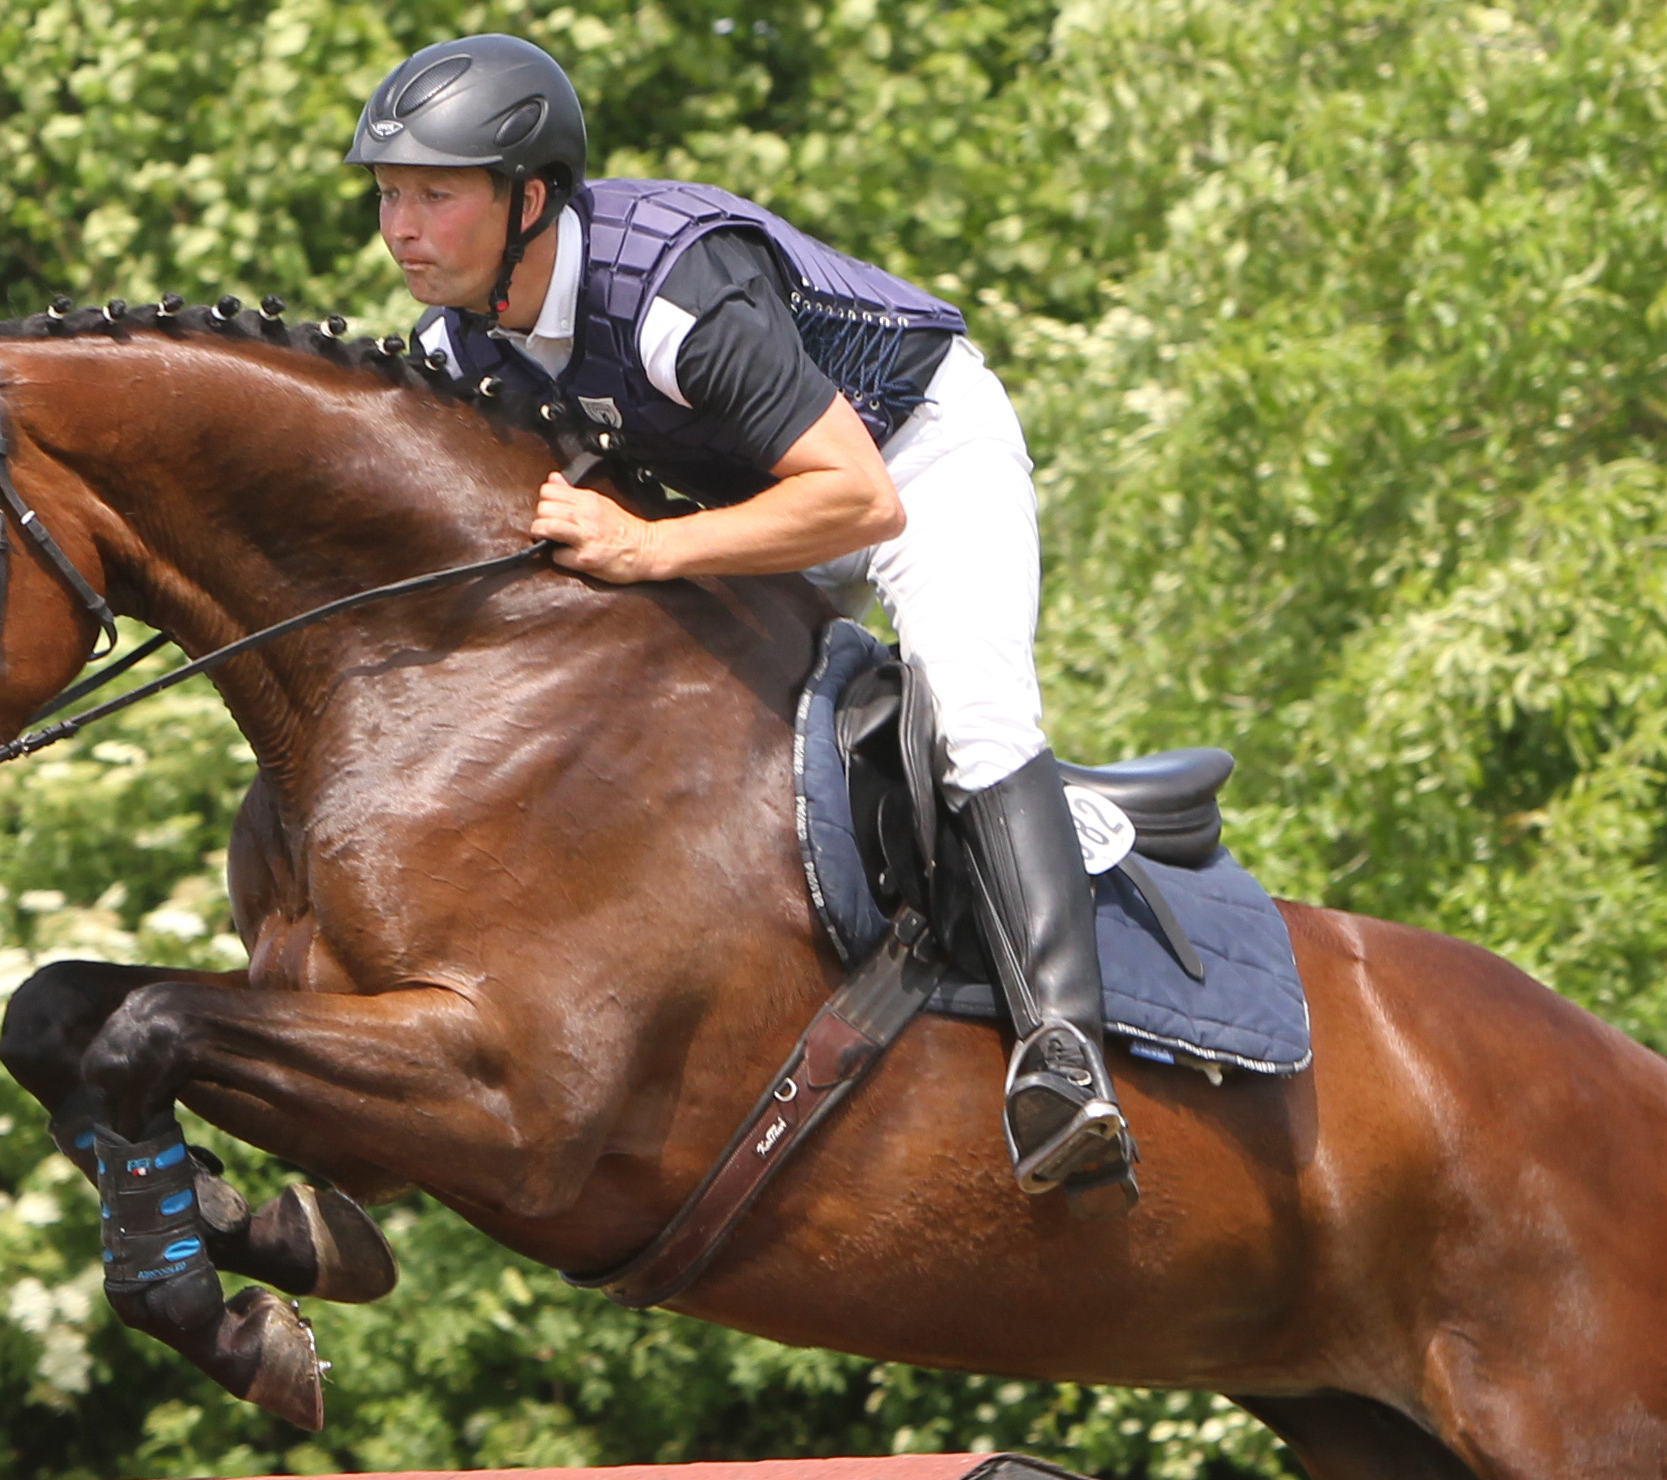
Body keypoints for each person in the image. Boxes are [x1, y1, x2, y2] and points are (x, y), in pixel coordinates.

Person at [347, 33, 1136, 1203]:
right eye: (387, 195)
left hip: (912, 458)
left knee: (968, 702)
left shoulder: (671, 288)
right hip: (761, 503)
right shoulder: (458, 346)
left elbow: (855, 496)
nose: (400, 228)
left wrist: (652, 547)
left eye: (433, 195)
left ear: (529, 199)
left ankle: (1065, 1059)